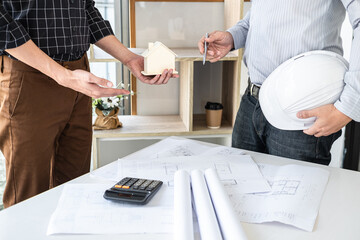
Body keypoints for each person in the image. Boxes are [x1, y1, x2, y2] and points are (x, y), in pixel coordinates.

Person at [0, 0, 178, 208]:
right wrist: (62, 75)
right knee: (28, 195)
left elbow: (86, 9)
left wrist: (130, 59)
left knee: (75, 186)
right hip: (29, 75)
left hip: (78, 73)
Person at [198, 0, 360, 165]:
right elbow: (259, 15)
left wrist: (347, 109)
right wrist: (233, 36)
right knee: (239, 184)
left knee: (295, 190)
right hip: (252, 101)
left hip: (301, 112)